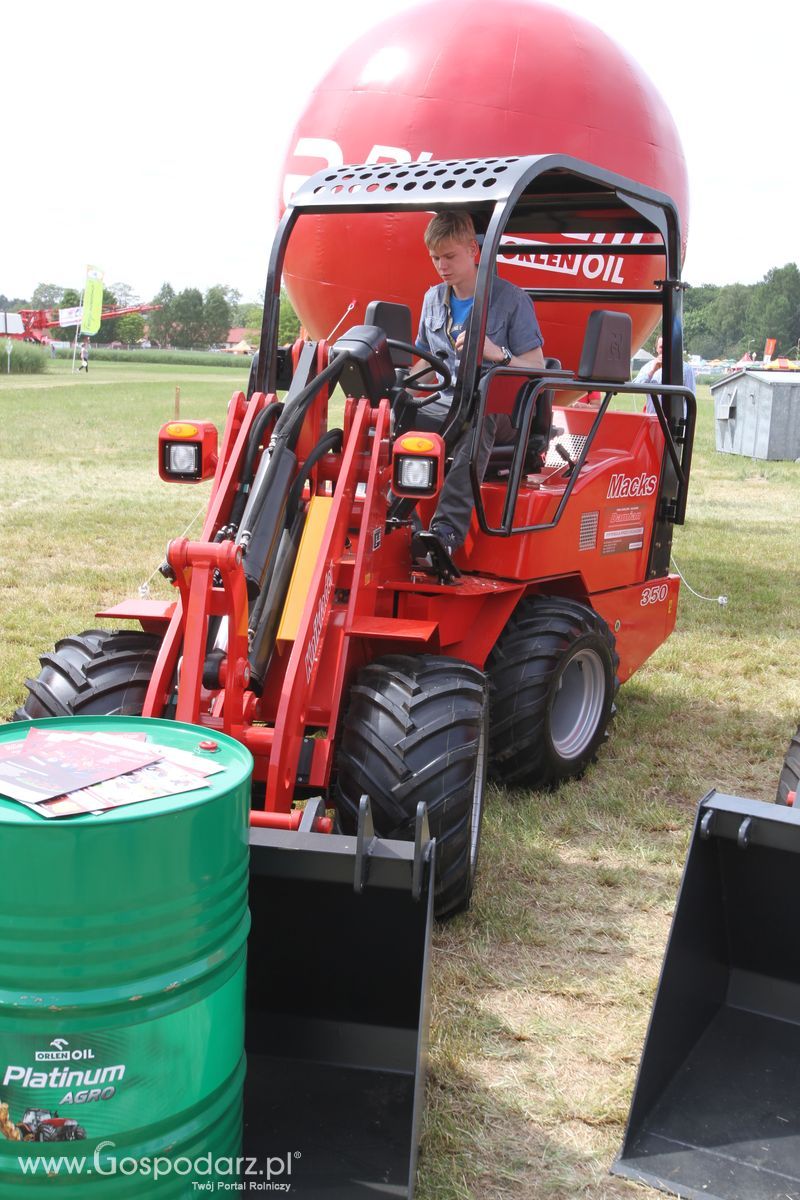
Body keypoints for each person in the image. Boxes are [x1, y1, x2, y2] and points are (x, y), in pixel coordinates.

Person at [410, 211, 545, 562]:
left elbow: (536, 367)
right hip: (448, 402)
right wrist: (400, 395)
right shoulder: (432, 300)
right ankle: (401, 524)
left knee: (478, 409)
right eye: (435, 258)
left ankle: (447, 533)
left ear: (473, 250)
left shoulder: (512, 300)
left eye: (450, 256)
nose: (442, 266)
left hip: (502, 411)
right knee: (394, 415)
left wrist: (495, 354)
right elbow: (425, 364)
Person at [634, 335, 695, 414]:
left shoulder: (686, 369)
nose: (665, 350)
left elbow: (690, 398)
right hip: (653, 419)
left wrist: (686, 423)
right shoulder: (648, 366)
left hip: (675, 421)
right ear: (656, 348)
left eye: (668, 346)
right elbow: (635, 386)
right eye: (661, 347)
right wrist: (652, 371)